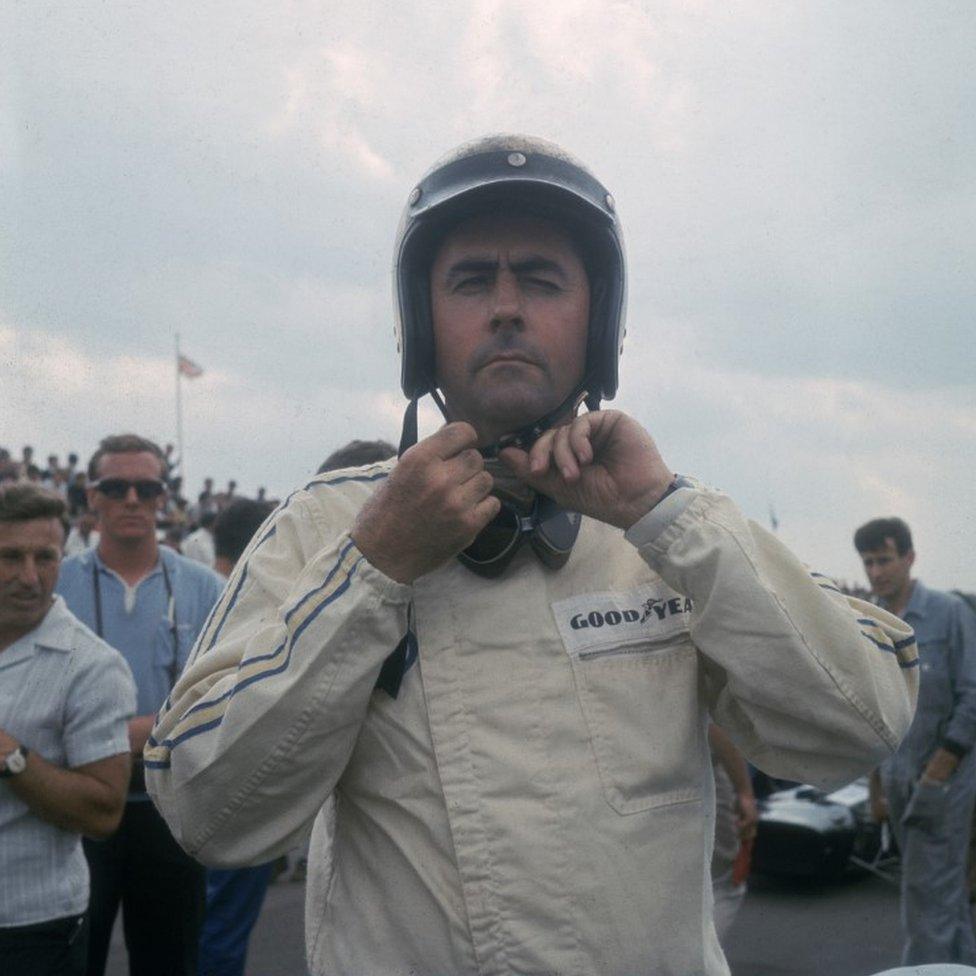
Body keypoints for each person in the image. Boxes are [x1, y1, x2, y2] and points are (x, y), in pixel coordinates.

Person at [147, 135, 917, 976]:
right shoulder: (329, 524)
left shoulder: (674, 528)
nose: (507, 307)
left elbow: (863, 723)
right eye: (473, 280)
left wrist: (666, 518)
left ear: (599, 321)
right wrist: (373, 570)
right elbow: (207, 811)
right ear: (422, 323)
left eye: (542, 279)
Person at [56, 434, 224, 976]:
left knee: (169, 963)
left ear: (163, 497)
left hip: (171, 812)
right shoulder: (54, 586)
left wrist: (145, 733)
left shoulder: (206, 588)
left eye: (146, 487)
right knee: (73, 962)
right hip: (76, 814)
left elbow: (231, 689)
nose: (132, 498)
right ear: (92, 497)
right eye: (116, 486)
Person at [0, 484, 135, 976]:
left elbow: (103, 811)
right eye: (10, 557)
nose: (29, 576)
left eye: (45, 557)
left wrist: (10, 756)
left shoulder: (93, 666)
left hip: (31, 928)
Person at [856, 517, 976, 966]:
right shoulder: (872, 621)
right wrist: (877, 786)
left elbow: (973, 695)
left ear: (909, 558)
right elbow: (872, 708)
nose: (875, 572)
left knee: (926, 905)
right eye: (868, 562)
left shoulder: (949, 614)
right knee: (943, 901)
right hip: (899, 777)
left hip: (943, 781)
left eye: (884, 559)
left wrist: (937, 775)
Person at [198, 497, 276, 976]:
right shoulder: (258, 604)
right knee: (223, 935)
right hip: (242, 782)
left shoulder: (190, 588)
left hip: (188, 785)